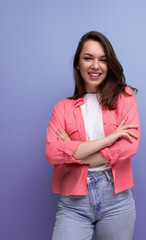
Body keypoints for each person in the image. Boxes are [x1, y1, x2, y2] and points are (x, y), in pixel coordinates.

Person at [45, 31, 140, 240]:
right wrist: (109, 139)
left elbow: (128, 147)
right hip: (73, 204)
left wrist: (75, 153)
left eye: (103, 60)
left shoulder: (124, 96)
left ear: (109, 65)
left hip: (117, 200)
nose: (95, 65)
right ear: (78, 64)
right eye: (88, 58)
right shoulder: (62, 108)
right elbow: (52, 153)